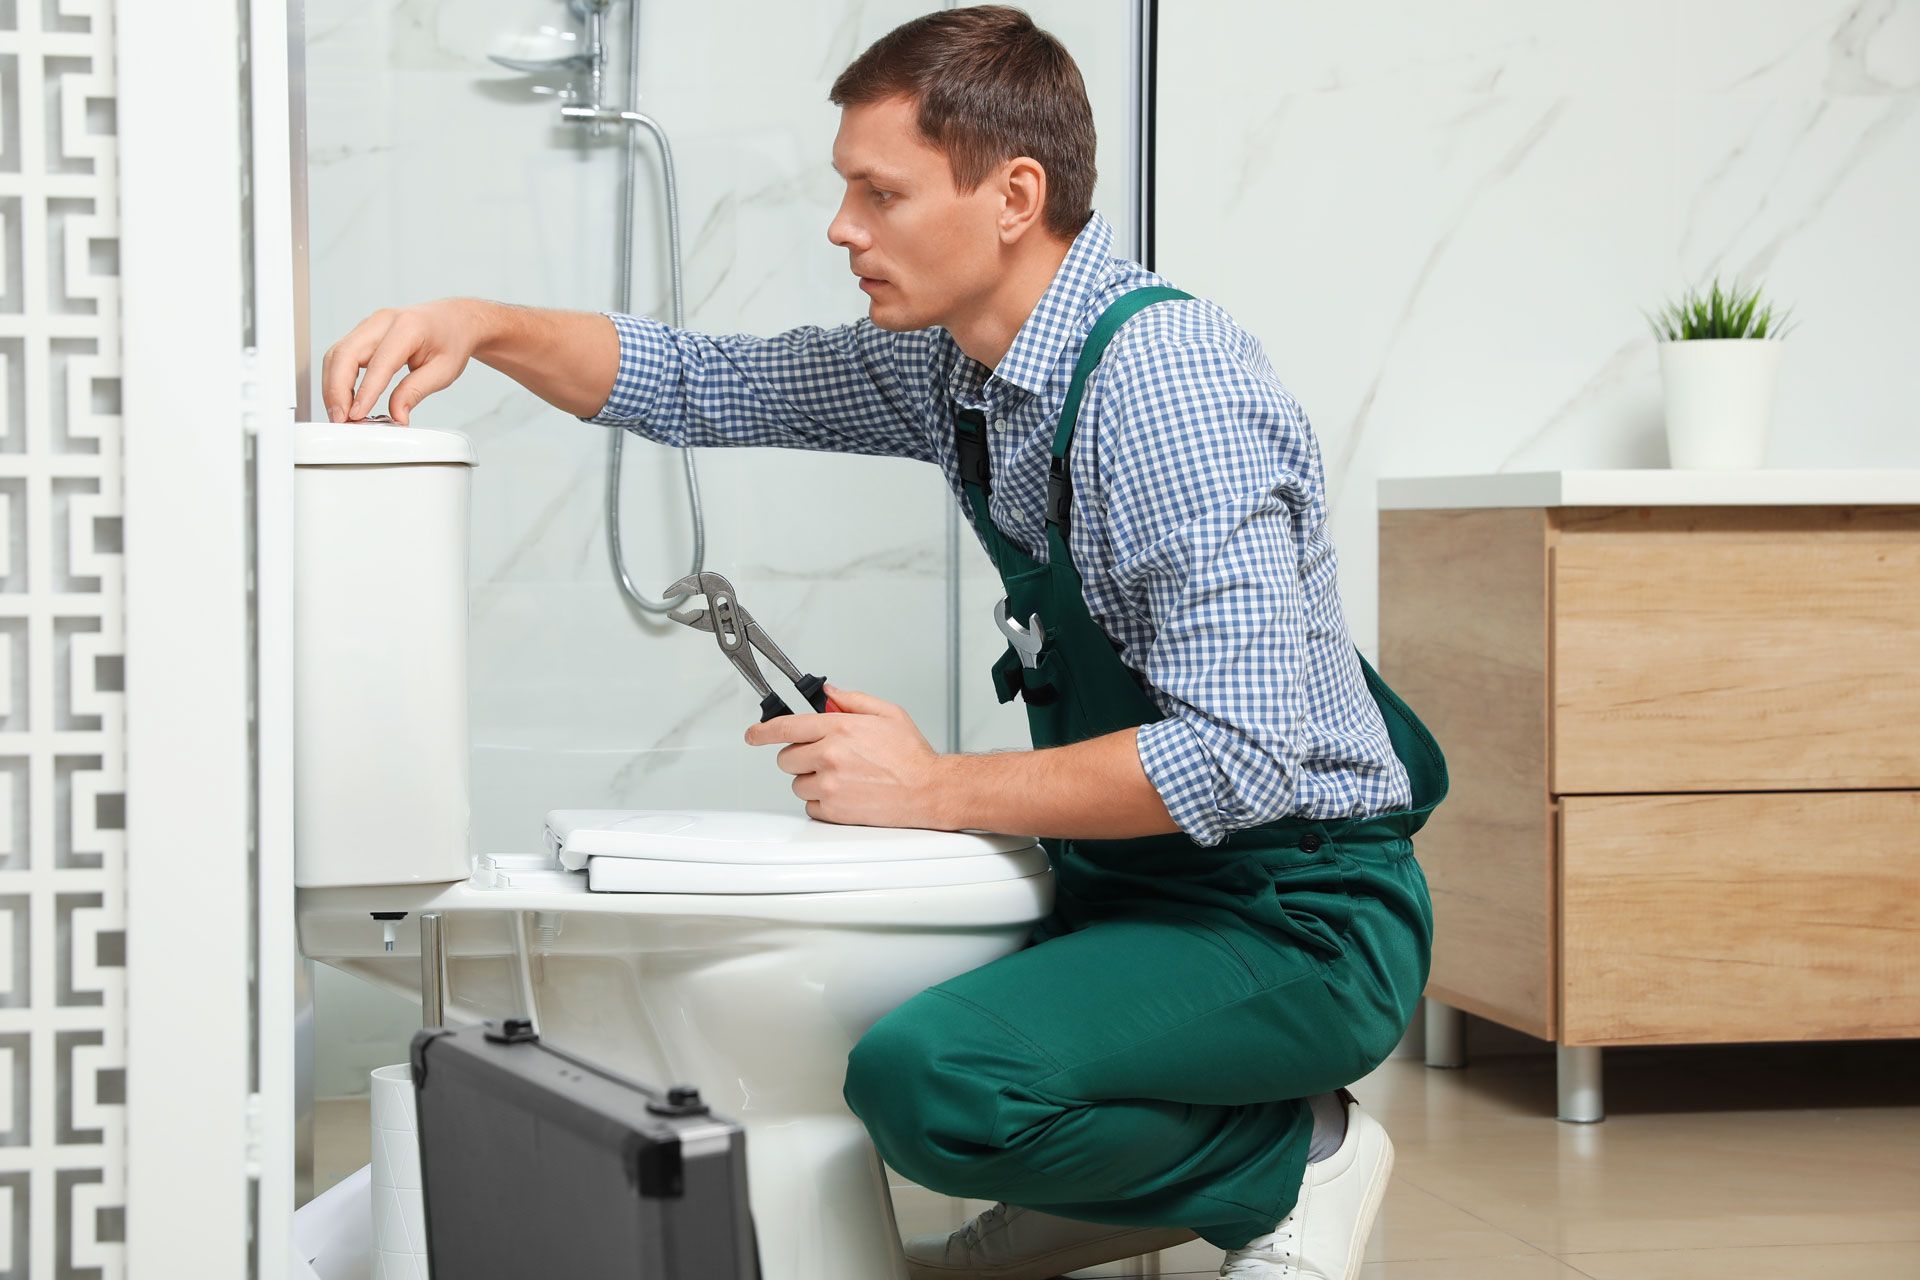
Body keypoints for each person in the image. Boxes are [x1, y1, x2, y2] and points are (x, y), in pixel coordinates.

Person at [323, 7, 1447, 1278]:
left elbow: (1240, 757)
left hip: (1291, 910)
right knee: (846, 1021)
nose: (841, 226)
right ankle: (1111, 1193)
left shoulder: (1163, 390)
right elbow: (706, 382)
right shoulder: (962, 370)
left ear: (1015, 194)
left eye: (879, 191)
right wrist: (480, 323)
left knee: (936, 1080)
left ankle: (1293, 1159)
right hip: (1135, 882)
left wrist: (932, 789)